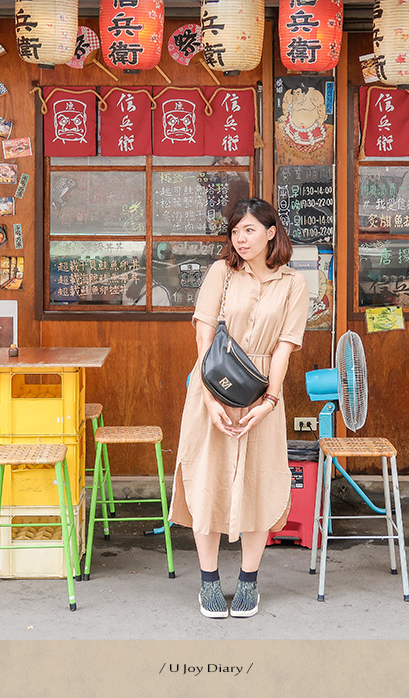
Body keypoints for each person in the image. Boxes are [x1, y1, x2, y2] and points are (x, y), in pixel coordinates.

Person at [170, 198, 310, 619]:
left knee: (258, 482)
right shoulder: (221, 272)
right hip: (213, 387)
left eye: (249, 230)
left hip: (263, 394)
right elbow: (203, 336)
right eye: (235, 231)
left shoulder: (293, 284)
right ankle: (209, 580)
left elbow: (285, 348)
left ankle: (249, 580)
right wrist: (209, 400)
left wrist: (270, 401)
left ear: (271, 232)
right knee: (207, 480)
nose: (241, 238)